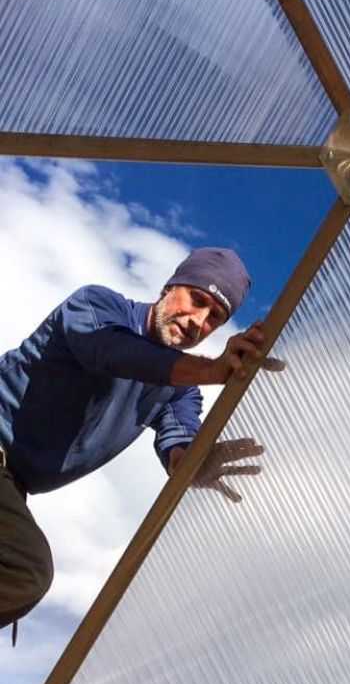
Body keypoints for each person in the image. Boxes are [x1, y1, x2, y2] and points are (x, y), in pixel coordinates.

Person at [0, 247, 275, 632]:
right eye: (197, 300)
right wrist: (212, 369)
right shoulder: (96, 307)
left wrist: (194, 464)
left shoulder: (179, 390)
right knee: (23, 570)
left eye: (214, 317)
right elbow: (110, 351)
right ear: (169, 287)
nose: (198, 321)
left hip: (12, 486)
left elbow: (179, 438)